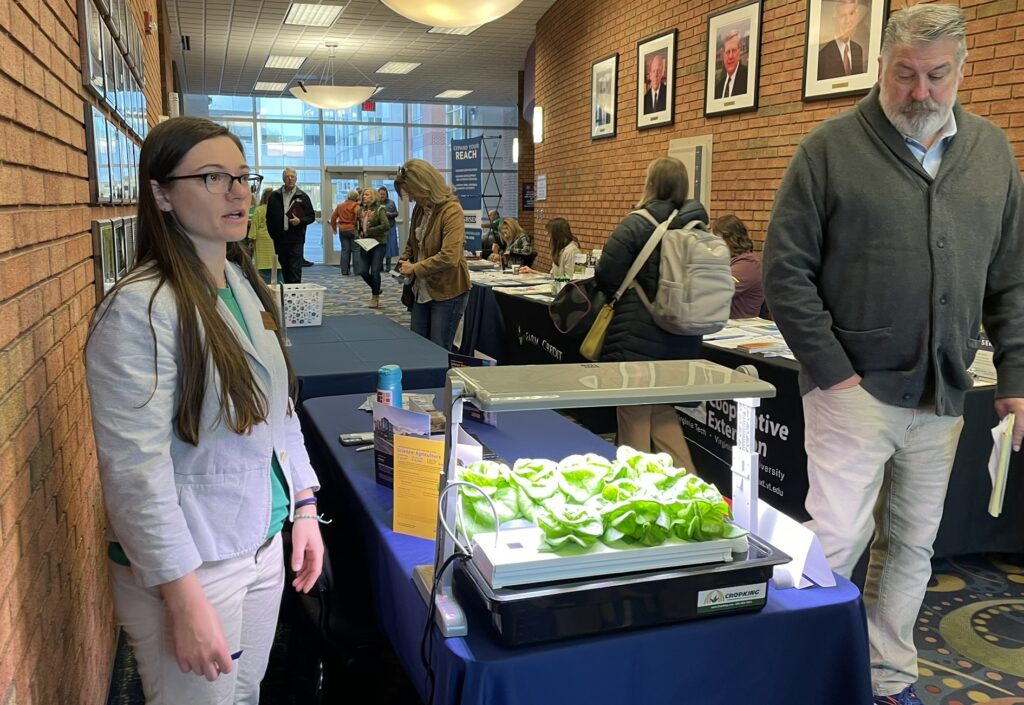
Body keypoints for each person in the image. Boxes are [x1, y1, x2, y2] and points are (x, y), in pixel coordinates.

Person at [762, 5, 1024, 703]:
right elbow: (786, 272)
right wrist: (833, 372)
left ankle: (889, 673)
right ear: (881, 65)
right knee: (837, 540)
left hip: (942, 394)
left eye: (937, 75)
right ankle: (803, 671)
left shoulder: (993, 153)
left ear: (961, 70)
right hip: (853, 392)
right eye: (904, 73)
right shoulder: (829, 149)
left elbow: (1010, 278)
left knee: (912, 545)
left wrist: (1014, 379)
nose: (920, 91)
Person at [85, 116, 324, 705]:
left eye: (242, 177)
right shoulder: (140, 310)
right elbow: (134, 470)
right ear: (162, 193)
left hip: (262, 543)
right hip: (195, 565)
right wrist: (181, 594)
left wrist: (306, 507)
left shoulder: (241, 284)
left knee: (247, 695)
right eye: (213, 177)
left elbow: (278, 412)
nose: (238, 193)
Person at [595, 156, 705, 472]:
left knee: (633, 413)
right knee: (661, 411)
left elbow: (606, 274)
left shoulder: (637, 222)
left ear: (651, 184)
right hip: (680, 339)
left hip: (637, 337)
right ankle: (690, 484)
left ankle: (637, 491)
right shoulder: (697, 227)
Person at [395, 158, 471, 351]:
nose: (410, 198)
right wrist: (404, 261)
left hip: (448, 291)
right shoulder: (420, 209)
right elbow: (413, 243)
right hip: (421, 290)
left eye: (411, 192)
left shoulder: (452, 210)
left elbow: (450, 256)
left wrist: (415, 268)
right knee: (418, 347)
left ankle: (445, 381)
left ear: (424, 186)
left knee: (439, 349)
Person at [266, 167, 315, 284]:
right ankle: (287, 293)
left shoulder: (303, 197)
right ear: (283, 178)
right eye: (287, 176)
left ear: (296, 179)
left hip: (296, 239)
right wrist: (273, 235)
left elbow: (311, 217)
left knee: (295, 268)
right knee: (285, 267)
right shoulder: (274, 196)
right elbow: (269, 217)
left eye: (292, 177)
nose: (290, 179)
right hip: (279, 239)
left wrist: (300, 221)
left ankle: (294, 294)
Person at [713, 214, 762, 318]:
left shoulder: (748, 265)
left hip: (739, 327)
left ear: (730, 239)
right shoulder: (728, 261)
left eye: (716, 239)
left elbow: (716, 291)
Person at [355, 187, 390, 309]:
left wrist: (369, 231)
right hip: (365, 243)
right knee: (363, 271)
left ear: (373, 196)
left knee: (375, 271)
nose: (364, 196)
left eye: (367, 195)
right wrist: (358, 234)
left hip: (378, 243)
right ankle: (376, 288)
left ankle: (375, 296)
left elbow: (386, 226)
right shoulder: (360, 211)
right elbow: (356, 226)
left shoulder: (380, 209)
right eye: (364, 195)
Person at [817, 0, 865, 80]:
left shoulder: (858, 50)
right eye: (843, 16)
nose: (848, 21)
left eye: (851, 14)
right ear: (835, 19)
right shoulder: (823, 55)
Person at [248, 187, 280, 284]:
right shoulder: (278, 209)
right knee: (275, 262)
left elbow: (254, 225)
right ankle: (276, 283)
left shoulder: (259, 210)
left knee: (262, 263)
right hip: (274, 238)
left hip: (261, 240)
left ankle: (263, 283)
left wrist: (251, 240)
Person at [329, 189, 359, 275]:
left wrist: (334, 228)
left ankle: (344, 271)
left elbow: (333, 218)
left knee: (345, 250)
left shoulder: (340, 206)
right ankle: (357, 271)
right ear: (356, 197)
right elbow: (359, 215)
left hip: (342, 230)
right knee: (356, 250)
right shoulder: (355, 206)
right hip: (353, 229)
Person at [714, 29, 749, 99]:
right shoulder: (718, 88)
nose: (730, 56)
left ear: (739, 52)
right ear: (723, 55)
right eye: (727, 52)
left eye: (734, 50)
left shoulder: (748, 77)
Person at [378, 186, 400, 270]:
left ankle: (388, 267)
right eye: (381, 194)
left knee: (389, 247)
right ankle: (380, 267)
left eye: (384, 194)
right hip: (380, 229)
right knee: (380, 248)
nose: (382, 196)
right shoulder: (376, 203)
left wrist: (390, 214)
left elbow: (396, 213)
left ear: (386, 194)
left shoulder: (391, 202)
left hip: (390, 228)